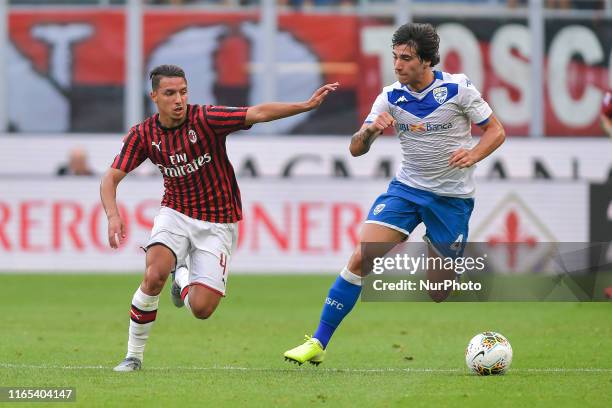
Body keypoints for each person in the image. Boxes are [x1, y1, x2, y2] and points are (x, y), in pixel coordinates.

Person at [283, 23, 505, 366]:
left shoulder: (458, 89)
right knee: (361, 257)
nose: (398, 65)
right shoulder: (390, 96)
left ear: (427, 61)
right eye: (395, 57)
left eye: (406, 59)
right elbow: (356, 148)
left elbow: (496, 131)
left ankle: (445, 255)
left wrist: (474, 154)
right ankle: (318, 342)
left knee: (438, 291)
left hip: (451, 199)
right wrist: (370, 131)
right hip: (407, 190)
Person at [101, 64, 338, 372]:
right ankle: (133, 356)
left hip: (218, 223)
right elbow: (110, 178)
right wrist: (113, 215)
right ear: (155, 96)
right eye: (170, 93)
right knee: (154, 273)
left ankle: (182, 276)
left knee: (201, 309)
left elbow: (258, 113)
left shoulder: (206, 119)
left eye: (183, 92)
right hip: (174, 213)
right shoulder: (144, 134)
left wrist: (304, 106)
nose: (178, 100)